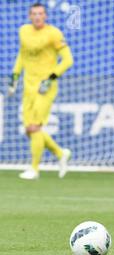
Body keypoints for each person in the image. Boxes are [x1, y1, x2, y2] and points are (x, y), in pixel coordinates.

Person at [8, 3, 74, 180]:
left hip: (45, 87)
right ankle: (61, 154)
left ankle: (34, 169)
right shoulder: (24, 31)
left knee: (35, 127)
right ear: (29, 16)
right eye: (34, 14)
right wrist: (14, 78)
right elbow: (22, 55)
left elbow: (68, 60)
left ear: (46, 16)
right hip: (28, 86)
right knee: (30, 130)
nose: (37, 17)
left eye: (41, 14)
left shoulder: (54, 33)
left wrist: (51, 78)